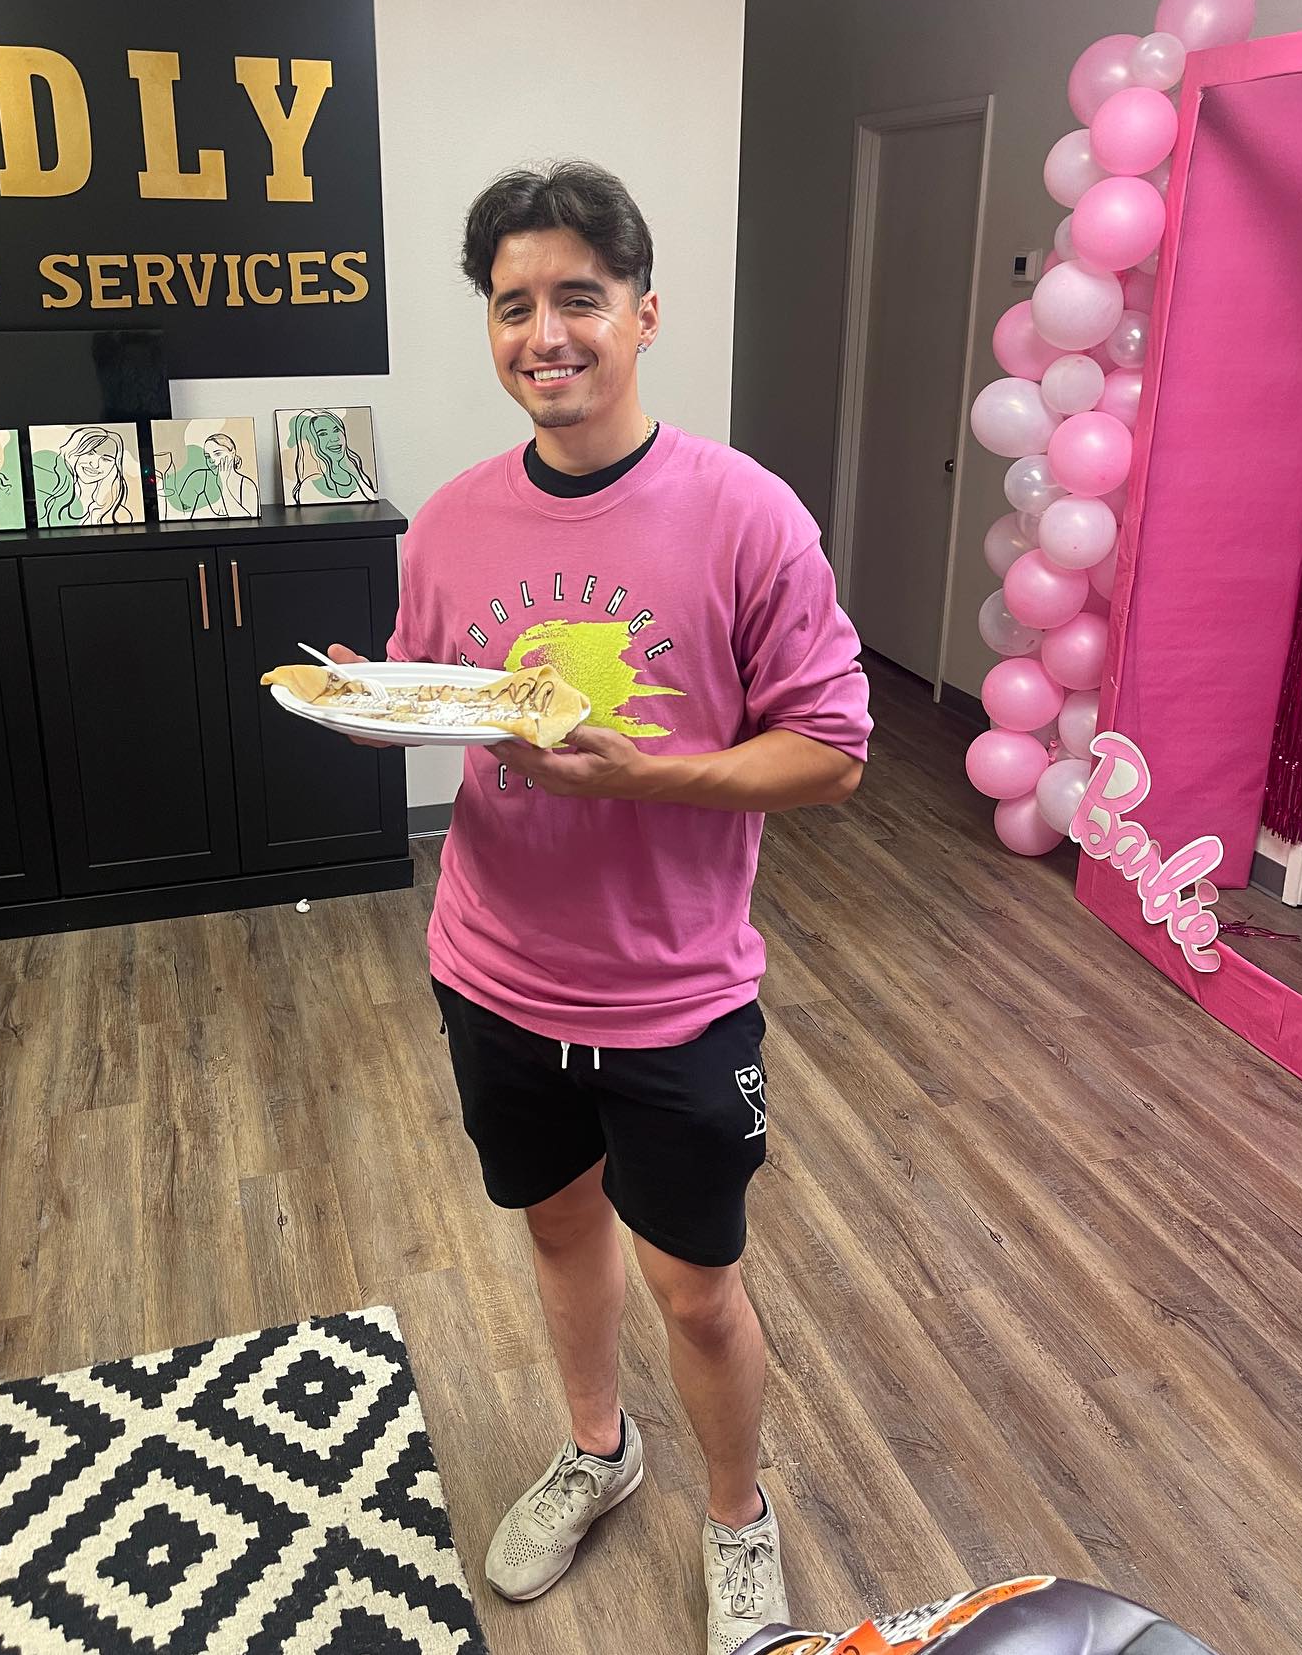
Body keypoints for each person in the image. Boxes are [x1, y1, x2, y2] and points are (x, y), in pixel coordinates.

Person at [330, 160, 872, 1655]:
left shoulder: (747, 514)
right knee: (560, 1228)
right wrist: (379, 703)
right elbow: (446, 687)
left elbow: (832, 752)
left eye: (579, 297)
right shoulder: (452, 519)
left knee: (696, 1288)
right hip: (493, 967)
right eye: (514, 305)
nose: (545, 334)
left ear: (644, 311)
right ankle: (597, 1446)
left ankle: (738, 1514)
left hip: (672, 995)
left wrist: (653, 778)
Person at [42, 426, 135, 526]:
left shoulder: (119, 515)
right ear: (73, 453)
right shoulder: (49, 502)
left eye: (106, 459)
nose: (95, 465)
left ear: (114, 465)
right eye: (90, 453)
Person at [288, 409, 377, 503]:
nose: (335, 439)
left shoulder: (357, 472)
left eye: (336, 430)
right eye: (323, 434)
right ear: (310, 441)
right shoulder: (308, 487)